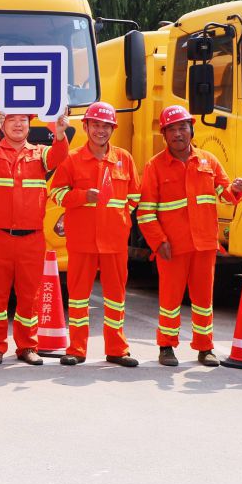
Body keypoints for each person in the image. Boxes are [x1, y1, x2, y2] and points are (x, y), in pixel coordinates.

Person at [136, 105, 242, 367]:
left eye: (182, 128)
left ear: (191, 130)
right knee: (170, 299)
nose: (178, 134)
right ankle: (166, 347)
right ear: (164, 134)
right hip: (172, 246)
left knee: (203, 300)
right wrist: (158, 242)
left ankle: (204, 347)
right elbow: (145, 212)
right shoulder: (155, 166)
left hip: (205, 244)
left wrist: (236, 189)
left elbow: (225, 195)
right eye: (172, 129)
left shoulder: (208, 161)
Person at [0, 107, 69, 364]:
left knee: (29, 296)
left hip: (31, 239)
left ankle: (27, 346)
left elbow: (59, 156)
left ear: (30, 124)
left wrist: (60, 134)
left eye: (22, 119)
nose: (17, 124)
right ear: (2, 124)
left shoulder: (40, 153)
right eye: (11, 119)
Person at [49, 101, 140, 366]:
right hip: (82, 240)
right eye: (96, 125)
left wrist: (121, 219)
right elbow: (56, 193)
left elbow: (134, 196)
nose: (101, 130)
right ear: (86, 127)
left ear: (113, 129)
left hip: (115, 241)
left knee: (116, 298)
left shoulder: (124, 158)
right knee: (78, 298)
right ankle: (77, 349)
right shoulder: (72, 158)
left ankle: (117, 349)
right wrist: (82, 196)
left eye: (106, 126)